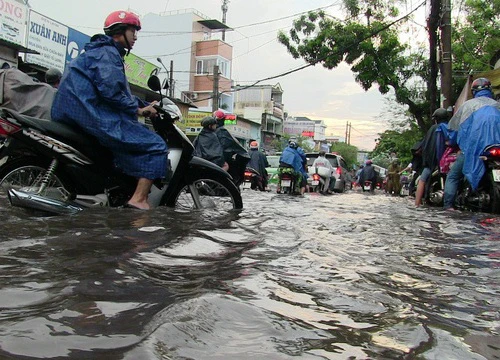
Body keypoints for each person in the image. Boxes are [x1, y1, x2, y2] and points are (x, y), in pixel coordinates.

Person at [51, 10, 168, 210]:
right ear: (119, 31)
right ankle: (138, 199)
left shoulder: (100, 52)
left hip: (78, 114)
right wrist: (140, 110)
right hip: (91, 115)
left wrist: (141, 104)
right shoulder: (107, 53)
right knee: (156, 145)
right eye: (133, 32)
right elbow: (112, 93)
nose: (135, 37)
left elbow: (118, 91)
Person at [443, 78, 500, 210]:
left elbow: (454, 131)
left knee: (453, 176)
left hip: (475, 149)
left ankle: (448, 207)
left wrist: (451, 142)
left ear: (474, 92)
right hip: (496, 148)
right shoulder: (497, 105)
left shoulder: (467, 106)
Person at [414, 108, 450, 207]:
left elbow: (424, 145)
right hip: (447, 161)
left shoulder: (432, 129)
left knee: (422, 180)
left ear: (436, 119)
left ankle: (417, 204)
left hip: (432, 162)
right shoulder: (448, 127)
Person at [213, 109, 249, 186]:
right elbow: (232, 146)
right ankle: (219, 181)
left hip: (210, 157)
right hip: (217, 158)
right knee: (227, 166)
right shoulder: (222, 132)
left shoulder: (208, 132)